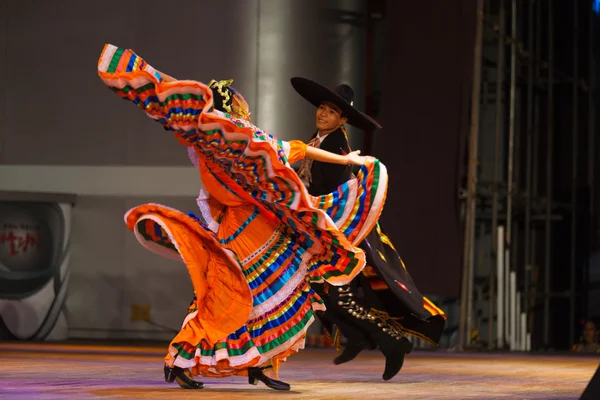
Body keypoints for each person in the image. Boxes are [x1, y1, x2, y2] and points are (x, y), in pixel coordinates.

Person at [97, 45, 388, 391]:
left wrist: (344, 162)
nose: (245, 108)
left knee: (264, 294)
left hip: (254, 223)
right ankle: (186, 358)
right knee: (243, 294)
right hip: (245, 227)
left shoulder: (213, 139)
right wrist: (346, 162)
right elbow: (290, 148)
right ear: (234, 105)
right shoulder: (234, 136)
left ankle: (254, 365)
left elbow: (289, 149)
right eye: (240, 102)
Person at [292, 77, 446, 381]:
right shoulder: (319, 139)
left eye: (331, 111)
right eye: (321, 107)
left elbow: (338, 195)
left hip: (341, 231)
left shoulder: (336, 145)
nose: (322, 114)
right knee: (320, 292)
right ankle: (363, 337)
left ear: (342, 119)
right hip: (326, 230)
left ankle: (390, 342)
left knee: (333, 294)